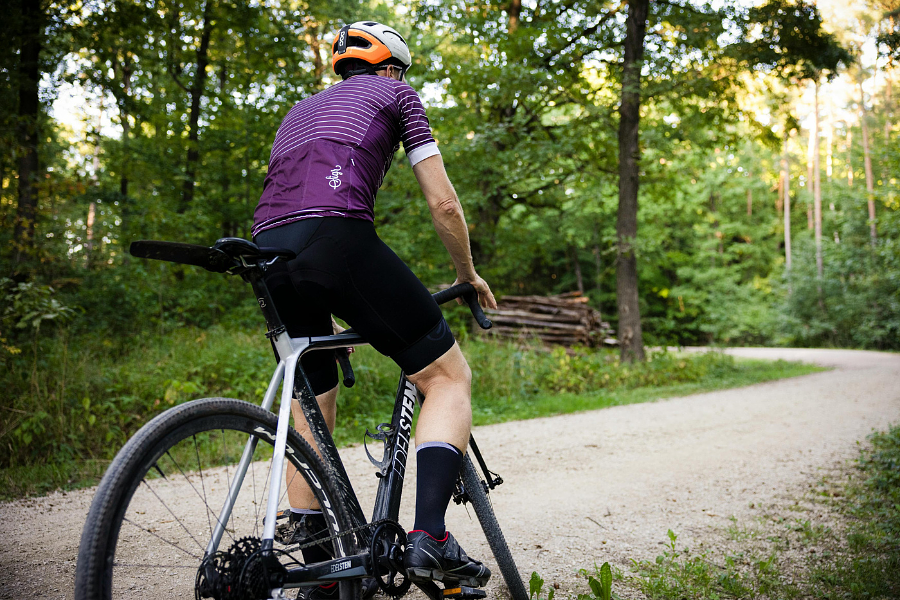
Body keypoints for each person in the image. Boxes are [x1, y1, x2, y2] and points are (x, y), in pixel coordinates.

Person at [252, 20, 498, 599]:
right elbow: (442, 200)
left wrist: (322, 291)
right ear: (391, 67)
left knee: (311, 394)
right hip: (337, 240)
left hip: (266, 250)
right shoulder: (397, 94)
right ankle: (430, 538)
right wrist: (466, 273)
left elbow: (294, 204)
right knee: (446, 376)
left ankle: (316, 564)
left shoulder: (299, 111)